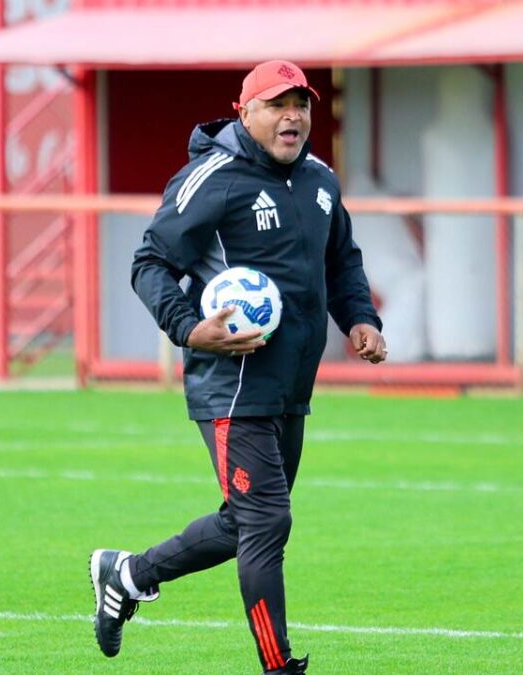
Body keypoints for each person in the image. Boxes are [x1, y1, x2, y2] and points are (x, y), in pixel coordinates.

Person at [90, 59, 386, 674]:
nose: (292, 117)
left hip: (291, 387)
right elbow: (149, 263)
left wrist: (361, 319)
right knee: (267, 521)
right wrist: (189, 328)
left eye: (301, 105)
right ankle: (278, 667)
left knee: (244, 523)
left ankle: (128, 574)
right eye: (278, 105)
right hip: (230, 385)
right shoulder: (213, 178)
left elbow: (342, 261)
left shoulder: (321, 180)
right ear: (245, 112)